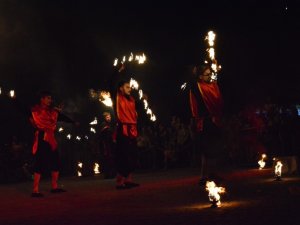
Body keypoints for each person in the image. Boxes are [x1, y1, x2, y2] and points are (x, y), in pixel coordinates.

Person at [30, 91, 77, 197]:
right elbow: (23, 110)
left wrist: (73, 122)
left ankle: (54, 187)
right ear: (42, 99)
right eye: (48, 98)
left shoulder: (52, 111)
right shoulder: (35, 110)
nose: (50, 100)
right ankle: (35, 190)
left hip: (51, 138)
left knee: (56, 162)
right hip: (42, 137)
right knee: (40, 162)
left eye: (50, 98)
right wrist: (14, 99)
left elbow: (61, 117)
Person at [189, 64, 223, 184]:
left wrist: (216, 69)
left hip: (215, 121)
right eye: (207, 74)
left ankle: (213, 173)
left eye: (210, 74)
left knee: (215, 149)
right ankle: (203, 176)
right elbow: (194, 105)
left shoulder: (213, 85)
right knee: (206, 150)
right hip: (204, 122)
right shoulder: (197, 87)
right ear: (200, 76)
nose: (210, 76)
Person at [114, 80, 140, 189]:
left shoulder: (132, 99)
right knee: (124, 156)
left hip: (132, 129)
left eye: (130, 87)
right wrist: (118, 70)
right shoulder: (118, 97)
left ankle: (128, 180)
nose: (130, 89)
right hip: (123, 128)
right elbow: (112, 81)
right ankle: (119, 182)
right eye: (127, 87)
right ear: (121, 88)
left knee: (133, 155)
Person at [99, 112, 116, 179]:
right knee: (108, 159)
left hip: (111, 144)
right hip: (106, 145)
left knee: (111, 159)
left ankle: (112, 174)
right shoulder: (103, 125)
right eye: (107, 117)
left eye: (109, 117)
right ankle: (108, 174)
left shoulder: (110, 125)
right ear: (104, 118)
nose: (109, 118)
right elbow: (103, 133)